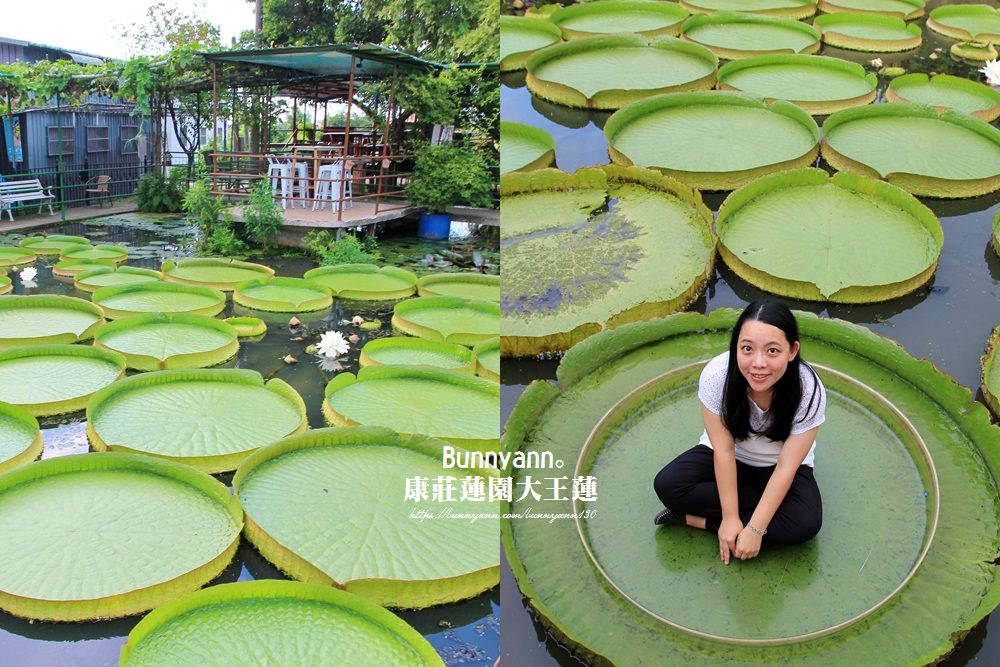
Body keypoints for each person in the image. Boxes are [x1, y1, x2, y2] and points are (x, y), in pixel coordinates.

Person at [652, 300, 825, 565]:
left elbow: (786, 468)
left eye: (772, 351)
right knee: (668, 485)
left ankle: (698, 521)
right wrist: (731, 518)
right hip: (729, 455)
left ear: (792, 351)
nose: (758, 363)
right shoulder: (716, 377)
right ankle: (740, 513)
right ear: (735, 348)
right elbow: (723, 449)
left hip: (777, 465)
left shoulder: (809, 389)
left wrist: (755, 530)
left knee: (805, 523)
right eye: (747, 349)